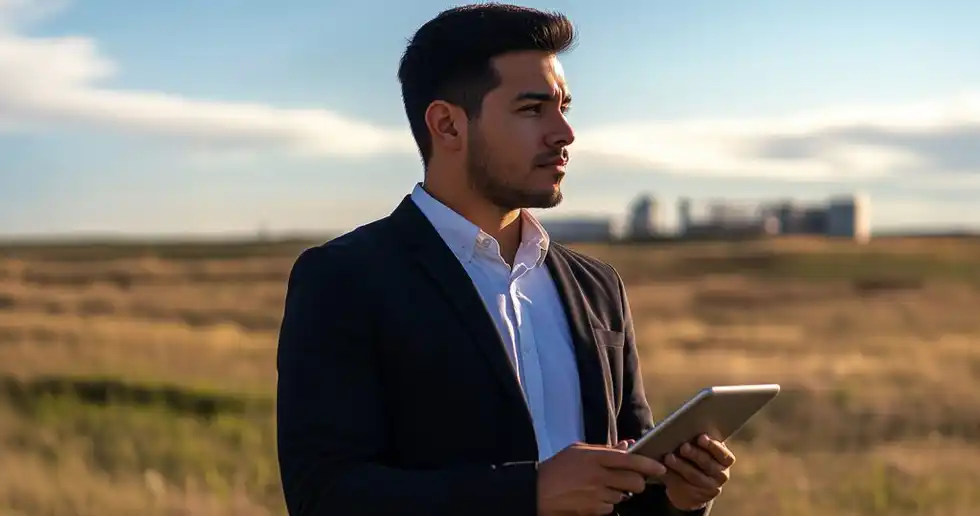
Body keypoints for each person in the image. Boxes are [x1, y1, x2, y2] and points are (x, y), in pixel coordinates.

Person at [275, 4, 736, 515]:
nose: (564, 133)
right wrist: (528, 494)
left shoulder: (597, 286)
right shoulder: (344, 280)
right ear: (447, 125)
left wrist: (679, 496)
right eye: (532, 109)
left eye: (564, 107)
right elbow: (325, 496)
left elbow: (626, 480)